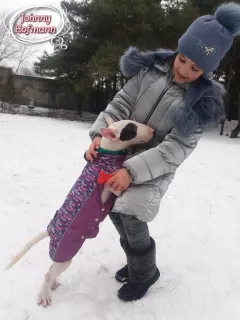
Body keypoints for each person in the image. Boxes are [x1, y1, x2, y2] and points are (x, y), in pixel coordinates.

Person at [85, 2, 240, 302]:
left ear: (207, 71)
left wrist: (131, 171)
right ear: (178, 50)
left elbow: (175, 148)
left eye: (195, 68)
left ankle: (145, 273)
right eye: (182, 60)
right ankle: (136, 264)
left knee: (130, 213)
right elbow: (119, 105)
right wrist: (99, 136)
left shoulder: (200, 104)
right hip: (120, 155)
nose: (184, 70)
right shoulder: (148, 71)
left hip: (154, 167)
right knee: (115, 212)